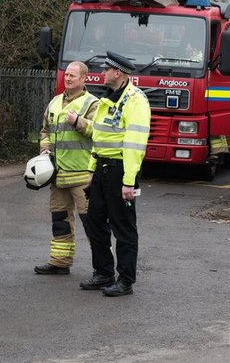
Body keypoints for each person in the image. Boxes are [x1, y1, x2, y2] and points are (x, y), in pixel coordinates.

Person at [80, 51, 151, 297]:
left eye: (105, 70)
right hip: (102, 169)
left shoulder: (135, 100)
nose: (102, 74)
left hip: (121, 170)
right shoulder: (107, 98)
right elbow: (99, 137)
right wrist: (92, 169)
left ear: (117, 73)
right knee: (95, 222)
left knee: (123, 227)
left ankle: (126, 280)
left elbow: (134, 144)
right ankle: (103, 273)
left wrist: (128, 182)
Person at [33, 61, 99, 276]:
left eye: (73, 75)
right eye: (67, 75)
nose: (68, 78)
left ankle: (103, 269)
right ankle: (60, 262)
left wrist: (78, 121)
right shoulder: (54, 102)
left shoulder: (92, 104)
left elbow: (99, 132)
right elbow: (45, 131)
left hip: (82, 176)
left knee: (92, 223)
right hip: (57, 175)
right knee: (60, 220)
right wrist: (44, 149)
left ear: (83, 79)